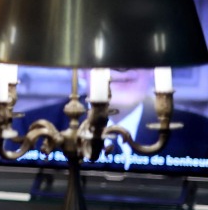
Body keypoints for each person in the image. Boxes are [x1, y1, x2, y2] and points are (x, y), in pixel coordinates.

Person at [16, 69, 208, 166]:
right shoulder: (31, 127)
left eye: (135, 52)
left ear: (154, 68)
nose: (121, 68)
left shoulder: (199, 131)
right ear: (81, 68)